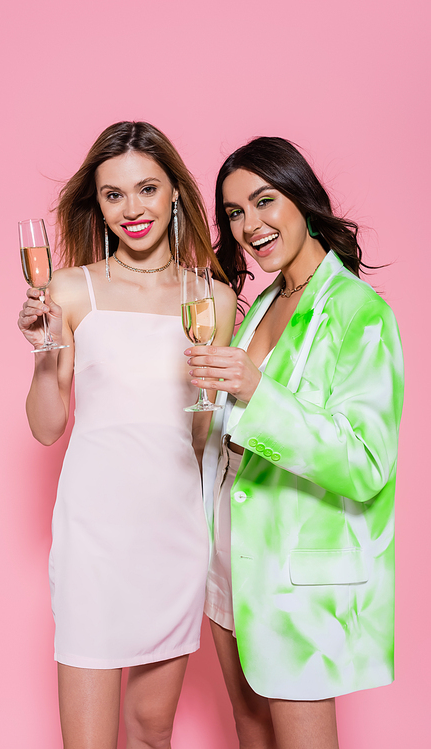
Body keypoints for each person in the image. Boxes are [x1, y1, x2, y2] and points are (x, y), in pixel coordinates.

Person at [17, 121, 236, 749]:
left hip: (172, 531)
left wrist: (208, 399)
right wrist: (43, 352)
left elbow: (200, 433)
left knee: (150, 732)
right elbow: (47, 427)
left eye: (146, 189)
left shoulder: (211, 300)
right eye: (113, 195)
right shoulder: (69, 291)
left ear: (173, 194)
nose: (131, 209)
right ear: (98, 203)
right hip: (94, 533)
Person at [185, 137, 404, 748]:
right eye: (234, 212)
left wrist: (259, 392)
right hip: (229, 560)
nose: (250, 225)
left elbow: (366, 463)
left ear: (302, 199)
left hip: (295, 577)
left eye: (264, 201)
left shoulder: (359, 314)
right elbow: (228, 438)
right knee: (251, 735)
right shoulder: (263, 306)